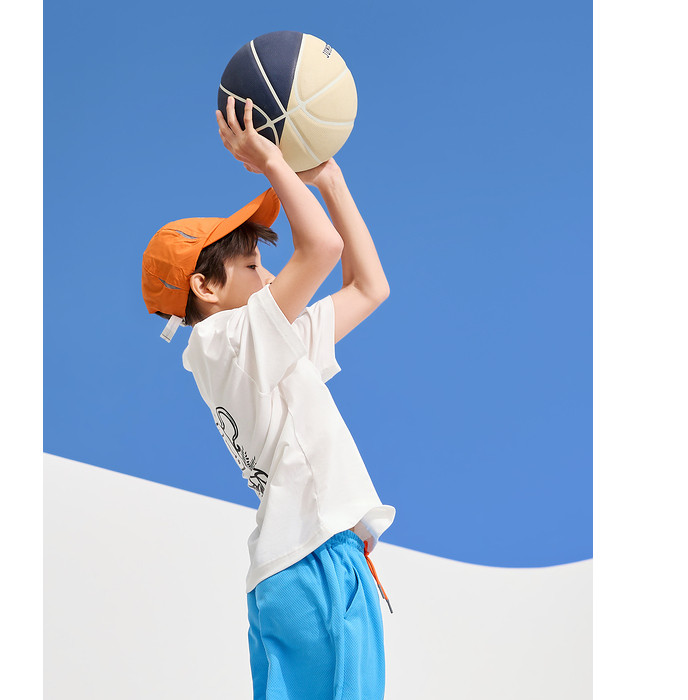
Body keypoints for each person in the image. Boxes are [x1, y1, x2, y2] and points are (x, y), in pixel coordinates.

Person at [141, 95, 395, 700]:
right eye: (254, 265)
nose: (271, 276)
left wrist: (330, 180)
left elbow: (369, 287)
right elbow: (323, 249)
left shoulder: (257, 344)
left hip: (295, 566)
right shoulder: (227, 339)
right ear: (204, 287)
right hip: (316, 559)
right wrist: (271, 161)